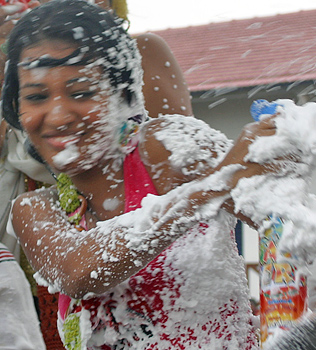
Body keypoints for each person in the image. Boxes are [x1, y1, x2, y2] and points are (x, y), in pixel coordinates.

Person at [3, 0, 284, 348]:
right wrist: (210, 189)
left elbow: (291, 221)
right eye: (36, 96)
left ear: (124, 93)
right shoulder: (34, 209)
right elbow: (80, 273)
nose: (58, 116)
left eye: (82, 92)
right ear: (17, 111)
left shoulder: (169, 145)